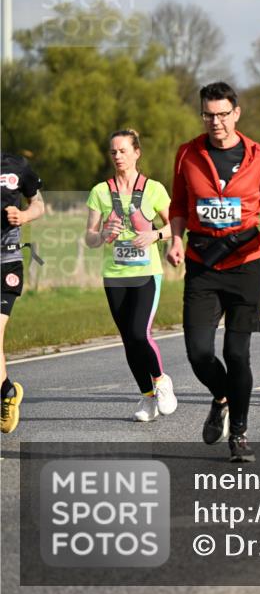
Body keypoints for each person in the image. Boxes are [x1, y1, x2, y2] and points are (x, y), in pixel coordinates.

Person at [166, 82, 260, 463]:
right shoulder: (188, 153)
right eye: (208, 114)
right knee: (199, 352)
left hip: (246, 264)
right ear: (202, 114)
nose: (215, 122)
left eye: (222, 114)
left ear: (236, 113)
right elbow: (178, 205)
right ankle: (221, 397)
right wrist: (174, 239)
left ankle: (239, 434)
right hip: (202, 263)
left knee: (237, 355)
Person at [85, 129, 176, 421]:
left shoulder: (154, 188)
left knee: (140, 332)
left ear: (137, 152)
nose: (117, 156)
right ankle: (147, 399)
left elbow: (177, 222)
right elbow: (89, 237)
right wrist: (102, 234)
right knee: (128, 339)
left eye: (123, 150)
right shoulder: (100, 191)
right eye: (113, 152)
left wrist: (156, 235)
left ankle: (161, 381)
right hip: (114, 275)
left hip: (147, 273)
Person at [0, 152, 44, 433]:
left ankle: (6, 395)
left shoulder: (16, 165)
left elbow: (38, 203)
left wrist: (24, 215)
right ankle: (6, 390)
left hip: (6, 261)